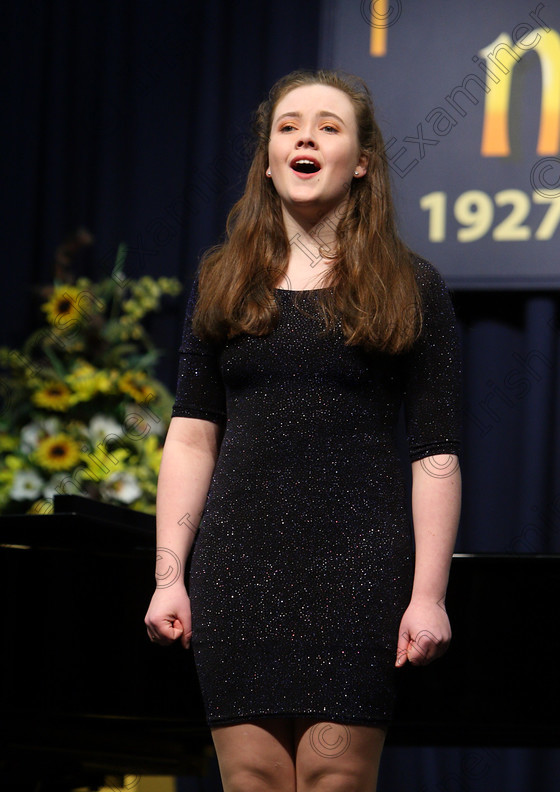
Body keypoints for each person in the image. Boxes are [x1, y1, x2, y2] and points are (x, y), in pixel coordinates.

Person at [145, 69, 461, 792]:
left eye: (328, 125)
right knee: (251, 777)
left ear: (362, 162)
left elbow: (435, 452)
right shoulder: (222, 279)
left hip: (359, 568)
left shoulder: (412, 287)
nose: (305, 137)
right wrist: (169, 576)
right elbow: (192, 436)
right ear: (267, 160)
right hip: (238, 566)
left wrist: (430, 595)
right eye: (288, 127)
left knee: (333, 779)